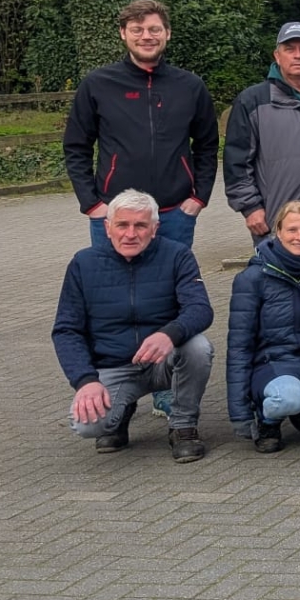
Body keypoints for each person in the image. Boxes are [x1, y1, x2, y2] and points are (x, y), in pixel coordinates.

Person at [53, 189, 214, 462]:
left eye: (140, 225)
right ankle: (121, 411)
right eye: (122, 225)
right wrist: (85, 381)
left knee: (198, 347)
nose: (131, 234)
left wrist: (168, 334)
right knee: (87, 426)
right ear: (107, 227)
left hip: (163, 360)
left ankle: (183, 425)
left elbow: (200, 309)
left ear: (154, 228)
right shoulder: (83, 264)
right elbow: (66, 330)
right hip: (114, 365)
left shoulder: (178, 255)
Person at [64, 0, 216, 249]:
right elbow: (76, 146)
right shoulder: (98, 85)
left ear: (167, 33)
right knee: (110, 287)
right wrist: (91, 204)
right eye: (137, 29)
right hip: (115, 217)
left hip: (175, 215)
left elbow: (207, 146)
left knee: (171, 287)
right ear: (123, 33)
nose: (147, 36)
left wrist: (199, 198)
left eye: (154, 29)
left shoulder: (190, 87)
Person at [226, 200, 300, 455]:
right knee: (290, 397)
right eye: (292, 230)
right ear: (278, 232)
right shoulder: (253, 278)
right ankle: (269, 420)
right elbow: (239, 345)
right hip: (274, 366)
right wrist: (239, 412)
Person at [225, 22, 300, 245]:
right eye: (290, 49)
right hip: (276, 221)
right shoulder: (253, 101)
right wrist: (250, 207)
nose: (298, 55)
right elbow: (237, 164)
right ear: (277, 55)